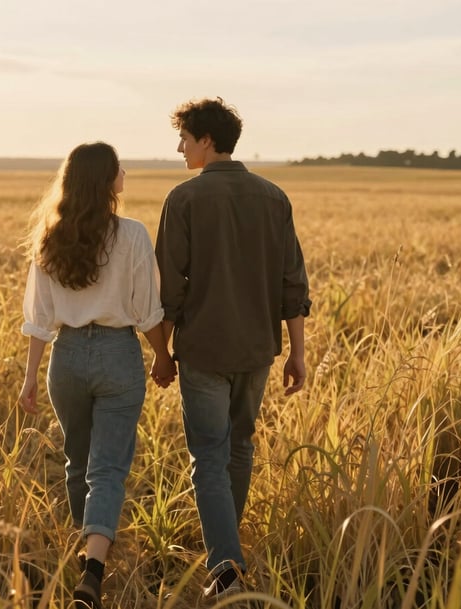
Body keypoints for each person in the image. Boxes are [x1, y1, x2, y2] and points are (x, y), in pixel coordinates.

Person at [151, 98, 311, 601]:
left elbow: (168, 288)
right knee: (238, 448)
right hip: (258, 348)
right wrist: (297, 352)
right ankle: (228, 555)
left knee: (208, 455)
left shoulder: (185, 199)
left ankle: (225, 566)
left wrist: (162, 350)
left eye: (184, 138)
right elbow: (293, 282)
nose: (179, 148)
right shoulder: (274, 197)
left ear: (206, 140)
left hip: (203, 348)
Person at [18, 142, 176, 608]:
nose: (125, 172)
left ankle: (83, 551)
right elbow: (148, 311)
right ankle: (94, 568)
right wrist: (164, 357)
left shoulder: (50, 237)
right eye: (118, 168)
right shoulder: (131, 235)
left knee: (77, 463)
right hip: (117, 356)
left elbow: (39, 318)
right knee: (107, 470)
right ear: (106, 181)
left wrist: (30, 378)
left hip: (64, 359)